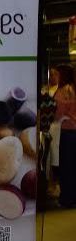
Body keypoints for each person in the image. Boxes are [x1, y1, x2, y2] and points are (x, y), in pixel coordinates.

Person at [53, 64, 76, 208]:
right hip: (72, 131)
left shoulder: (64, 91)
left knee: (66, 166)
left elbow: (57, 112)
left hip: (66, 132)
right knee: (72, 166)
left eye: (56, 74)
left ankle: (67, 198)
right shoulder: (72, 89)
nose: (54, 77)